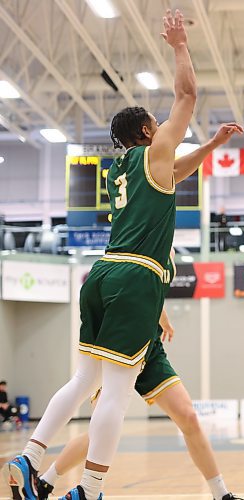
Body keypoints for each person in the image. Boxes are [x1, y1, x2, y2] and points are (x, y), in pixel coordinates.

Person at [4, 10, 199, 500]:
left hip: (99, 276)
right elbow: (188, 96)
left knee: (83, 378)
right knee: (114, 392)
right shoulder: (154, 154)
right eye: (159, 126)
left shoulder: (127, 169)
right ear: (148, 133)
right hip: (135, 278)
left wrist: (213, 145)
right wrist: (178, 46)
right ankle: (89, 489)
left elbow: (178, 169)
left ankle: (29, 458)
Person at [36, 249, 244, 500]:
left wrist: (163, 317)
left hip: (150, 346)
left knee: (188, 417)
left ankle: (221, 494)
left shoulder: (167, 247)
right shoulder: (134, 239)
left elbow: (150, 292)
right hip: (119, 340)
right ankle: (46, 481)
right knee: (97, 432)